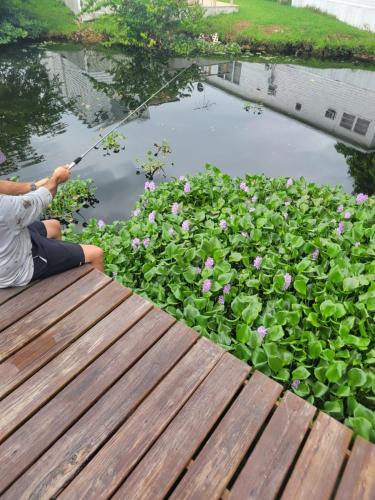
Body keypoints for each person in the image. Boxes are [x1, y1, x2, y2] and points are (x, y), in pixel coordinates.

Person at [0, 166, 104, 288]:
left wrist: (33, 186)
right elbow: (44, 197)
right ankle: (97, 302)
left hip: (10, 242)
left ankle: (58, 267)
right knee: (96, 253)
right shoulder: (5, 207)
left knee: (54, 226)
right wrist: (56, 179)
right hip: (16, 270)